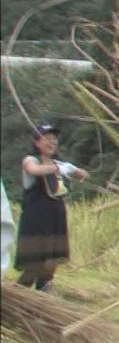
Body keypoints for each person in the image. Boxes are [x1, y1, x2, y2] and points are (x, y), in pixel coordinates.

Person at [14, 123, 88, 290]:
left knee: (52, 261)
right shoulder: (31, 160)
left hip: (56, 217)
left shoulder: (58, 163)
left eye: (54, 139)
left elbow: (82, 174)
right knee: (35, 263)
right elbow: (33, 170)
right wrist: (57, 168)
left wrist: (74, 171)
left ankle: (42, 297)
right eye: (47, 138)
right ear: (37, 142)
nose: (51, 142)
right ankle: (17, 297)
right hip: (37, 219)